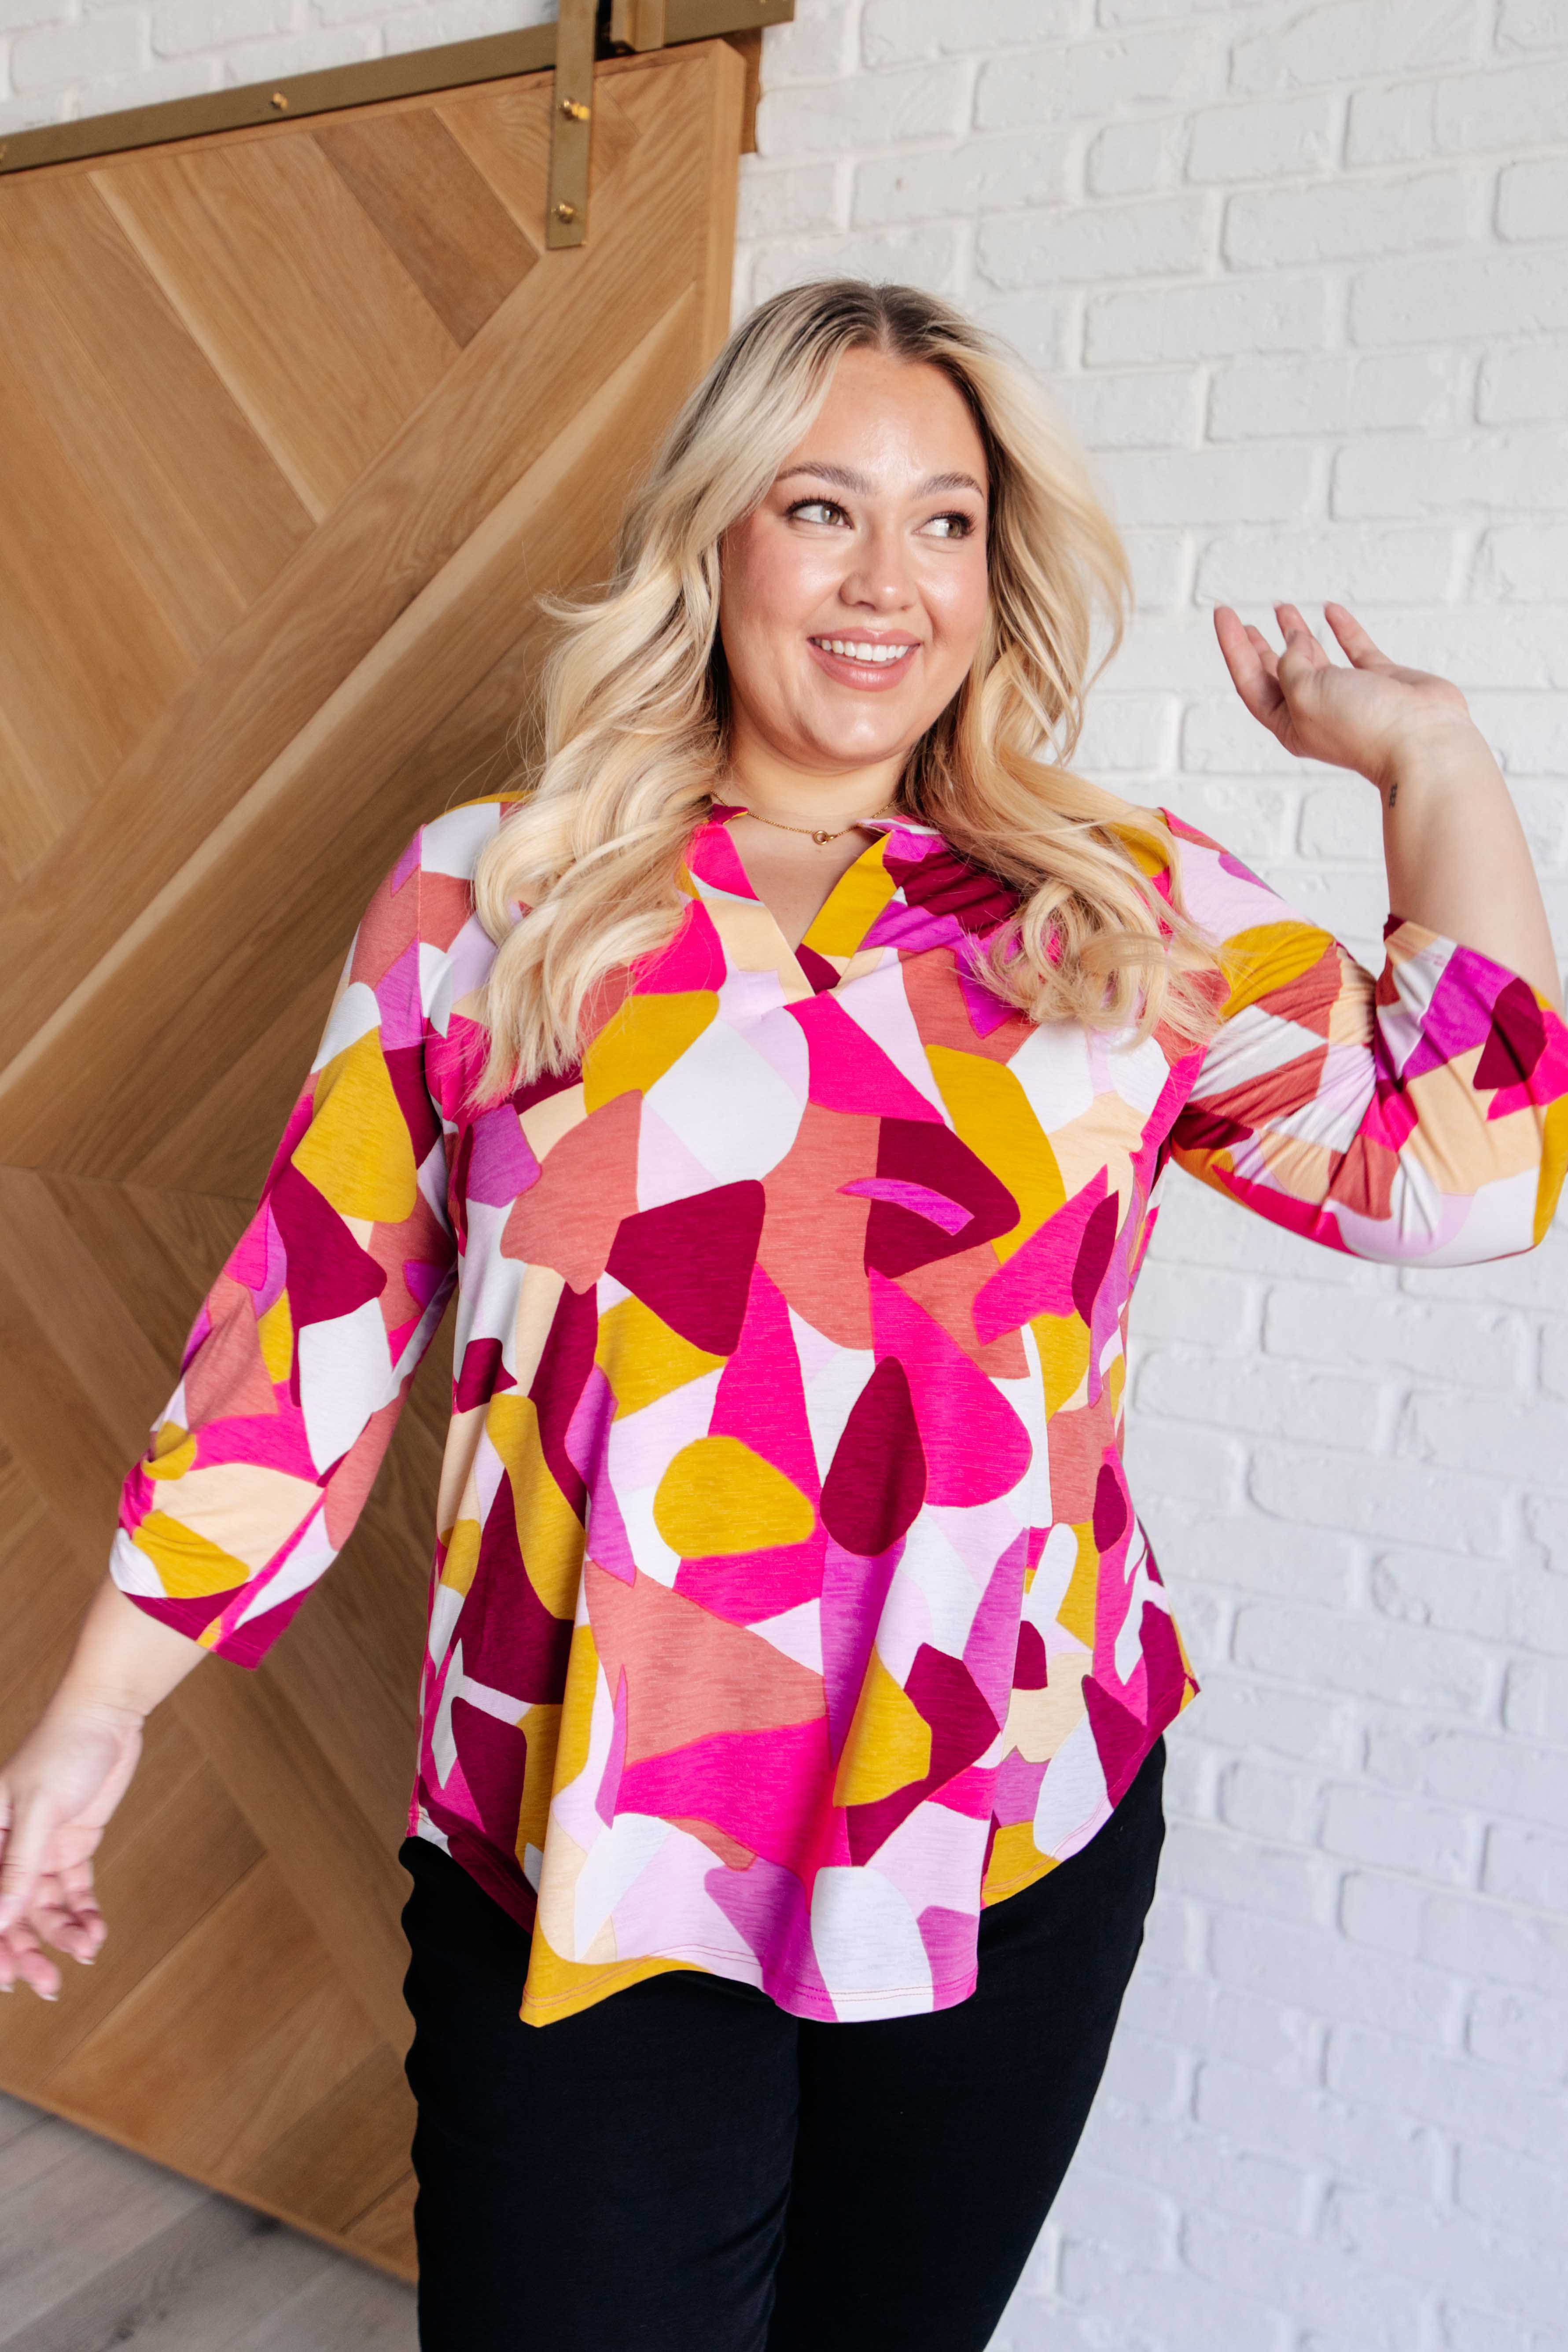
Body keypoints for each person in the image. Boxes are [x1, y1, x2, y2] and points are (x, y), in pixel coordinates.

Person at [0, 280, 1562, 2352]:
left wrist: (1429, 757)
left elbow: (1468, 1179)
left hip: (998, 1821)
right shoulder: (496, 895)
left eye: (944, 521)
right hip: (583, 1833)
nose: (885, 579)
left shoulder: (1121, 901)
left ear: (996, 573)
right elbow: (308, 1336)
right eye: (821, 508)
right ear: (716, 538)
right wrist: (101, 1704)